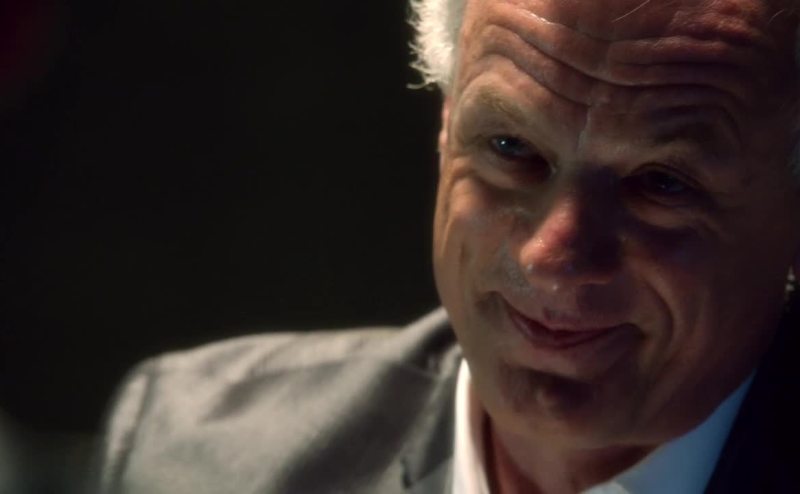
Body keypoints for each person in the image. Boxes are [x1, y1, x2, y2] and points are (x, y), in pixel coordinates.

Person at [95, 0, 800, 492]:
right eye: (511, 147)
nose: (551, 260)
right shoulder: (196, 454)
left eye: (662, 184)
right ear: (446, 124)